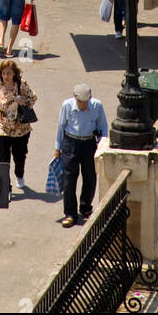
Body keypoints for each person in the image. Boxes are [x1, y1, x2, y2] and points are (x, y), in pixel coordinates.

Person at [55, 82, 109, 227]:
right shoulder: (67, 106)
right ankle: (70, 213)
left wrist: (102, 145)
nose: (83, 105)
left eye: (85, 102)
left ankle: (85, 208)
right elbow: (61, 126)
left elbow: (103, 126)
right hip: (70, 143)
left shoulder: (97, 106)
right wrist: (57, 147)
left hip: (89, 144)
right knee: (69, 180)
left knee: (90, 177)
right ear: (75, 99)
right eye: (80, 102)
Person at [0, 58, 37, 192]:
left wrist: (23, 101)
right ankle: (7, 188)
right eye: (3, 73)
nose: (6, 76)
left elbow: (33, 98)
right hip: (2, 126)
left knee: (20, 156)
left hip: (20, 129)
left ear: (14, 74)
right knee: (2, 160)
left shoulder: (21, 84)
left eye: (9, 73)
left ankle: (19, 174)